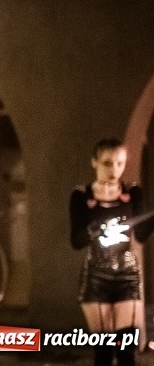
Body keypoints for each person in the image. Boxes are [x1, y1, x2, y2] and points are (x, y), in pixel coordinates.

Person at [69, 138, 154, 366]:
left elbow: (141, 235)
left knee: (125, 348)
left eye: (120, 163)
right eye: (107, 163)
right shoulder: (82, 196)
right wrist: (96, 228)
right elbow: (76, 241)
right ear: (94, 162)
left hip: (126, 273)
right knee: (104, 349)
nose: (114, 169)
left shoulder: (132, 192)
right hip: (96, 275)